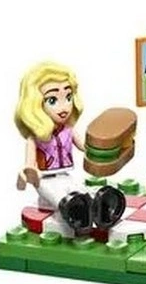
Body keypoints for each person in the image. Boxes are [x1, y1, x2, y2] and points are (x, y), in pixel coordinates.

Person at [14, 62, 125, 234]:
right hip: (44, 180)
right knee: (63, 198)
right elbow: (29, 164)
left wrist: (103, 150)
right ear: (35, 106)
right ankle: (77, 217)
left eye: (68, 97)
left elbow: (84, 147)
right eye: (52, 100)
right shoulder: (35, 138)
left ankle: (104, 210)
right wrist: (28, 173)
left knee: (82, 192)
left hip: (65, 175)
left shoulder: (68, 130)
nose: (64, 106)